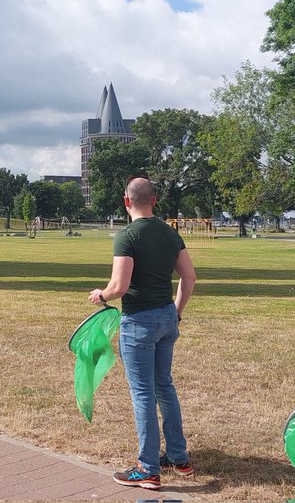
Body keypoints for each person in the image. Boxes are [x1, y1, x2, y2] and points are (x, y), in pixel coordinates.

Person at [89, 177, 197, 491]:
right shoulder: (169, 233)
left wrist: (102, 295)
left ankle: (147, 469)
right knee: (164, 386)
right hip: (166, 316)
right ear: (155, 200)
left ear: (126, 201)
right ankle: (179, 457)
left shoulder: (127, 236)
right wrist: (176, 312)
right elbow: (189, 278)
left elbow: (119, 287)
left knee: (143, 394)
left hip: (138, 322)